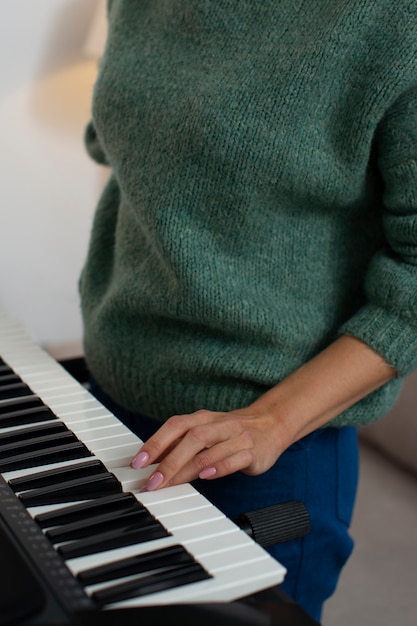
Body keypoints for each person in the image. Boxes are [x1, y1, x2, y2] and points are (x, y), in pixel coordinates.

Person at [79, 1, 417, 621]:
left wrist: (272, 421)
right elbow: (122, 152)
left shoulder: (395, 21)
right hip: (102, 409)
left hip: (262, 450)